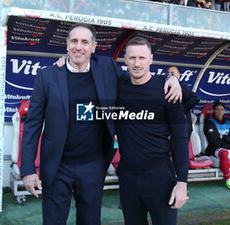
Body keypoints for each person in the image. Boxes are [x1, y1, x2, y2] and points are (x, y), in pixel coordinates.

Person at [20, 23, 181, 225]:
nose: (79, 47)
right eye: (74, 41)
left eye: (84, 42)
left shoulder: (107, 68)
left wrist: (172, 76)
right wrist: (27, 169)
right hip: (57, 165)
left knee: (90, 221)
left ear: (93, 47)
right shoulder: (47, 76)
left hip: (93, 165)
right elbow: (33, 124)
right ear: (67, 44)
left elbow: (139, 78)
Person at [116, 37, 189, 225]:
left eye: (142, 57)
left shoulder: (168, 90)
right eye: (132, 58)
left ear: (151, 59)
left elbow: (180, 137)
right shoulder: (118, 87)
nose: (137, 63)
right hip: (128, 177)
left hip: (160, 176)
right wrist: (63, 61)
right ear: (125, 59)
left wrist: (182, 182)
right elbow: (91, 66)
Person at [167, 66, 200, 139]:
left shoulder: (180, 86)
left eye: (172, 73)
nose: (170, 75)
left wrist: (181, 110)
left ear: (178, 76)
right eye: (168, 73)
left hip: (183, 127)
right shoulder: (166, 87)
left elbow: (195, 98)